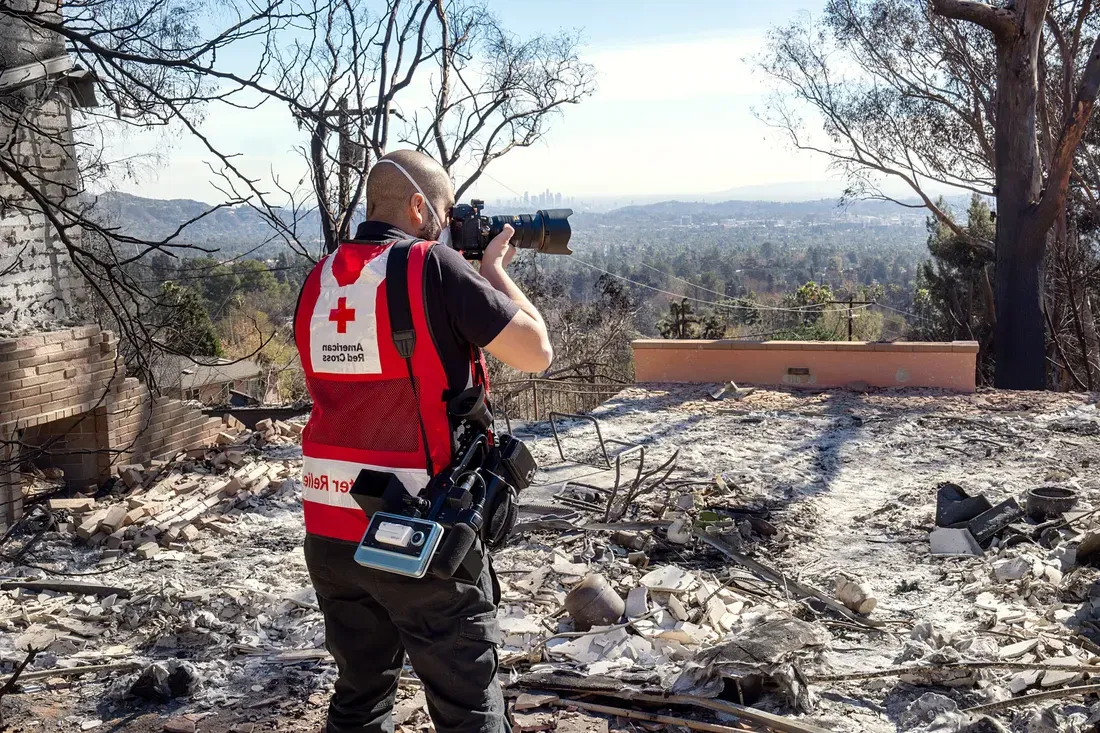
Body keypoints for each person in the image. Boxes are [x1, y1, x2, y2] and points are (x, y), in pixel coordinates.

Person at [293, 148, 552, 733]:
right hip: (419, 531)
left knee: (360, 697)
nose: (445, 224)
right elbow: (536, 351)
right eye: (442, 211)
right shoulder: (430, 266)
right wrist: (492, 271)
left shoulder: (322, 279)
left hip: (331, 529)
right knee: (467, 707)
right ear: (417, 206)